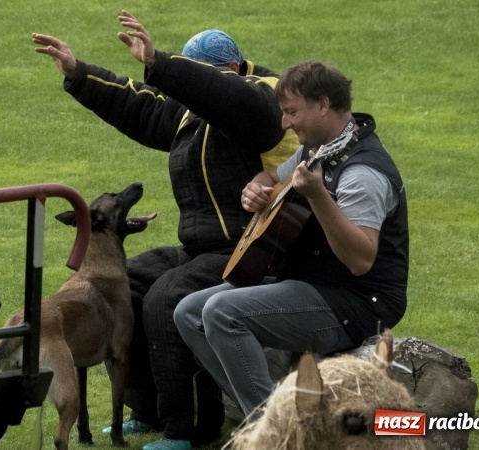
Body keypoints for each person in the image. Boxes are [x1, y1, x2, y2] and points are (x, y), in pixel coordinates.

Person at [33, 10, 296, 450]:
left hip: (254, 248)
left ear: (230, 71)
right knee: (129, 284)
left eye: (196, 80)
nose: (187, 95)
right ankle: (147, 408)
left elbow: (227, 98)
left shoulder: (264, 98)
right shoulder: (194, 110)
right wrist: (79, 75)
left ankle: (190, 430)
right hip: (205, 248)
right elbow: (140, 106)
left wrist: (163, 64)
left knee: (167, 298)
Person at [174, 60, 409, 417]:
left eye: (291, 112)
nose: (284, 123)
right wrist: (256, 189)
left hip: (356, 302)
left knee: (222, 313)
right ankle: (271, 418)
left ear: (323, 105)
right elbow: (272, 176)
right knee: (189, 312)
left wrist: (317, 196)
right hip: (309, 280)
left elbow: (360, 260)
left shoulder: (363, 172)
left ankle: (277, 431)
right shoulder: (318, 148)